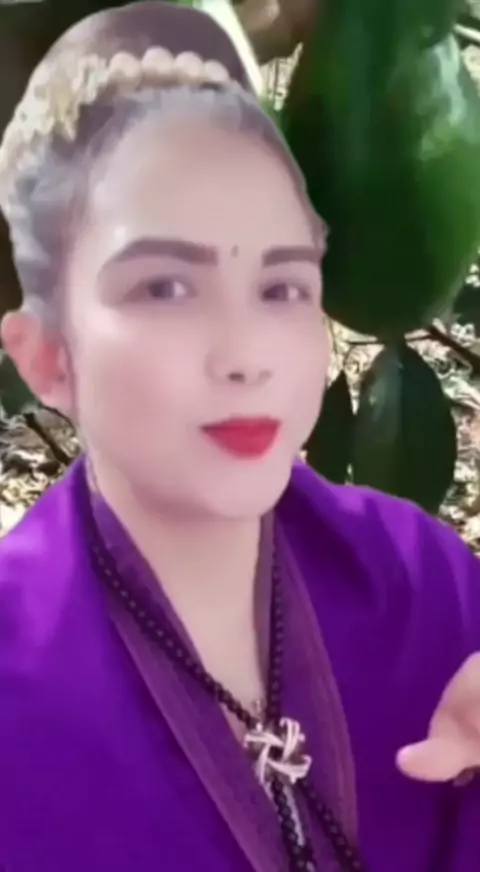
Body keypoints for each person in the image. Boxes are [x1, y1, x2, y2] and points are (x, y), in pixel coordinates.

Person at [0, 3, 479, 871]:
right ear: (46, 357)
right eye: (164, 289)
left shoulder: (425, 585)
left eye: (282, 286)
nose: (245, 355)